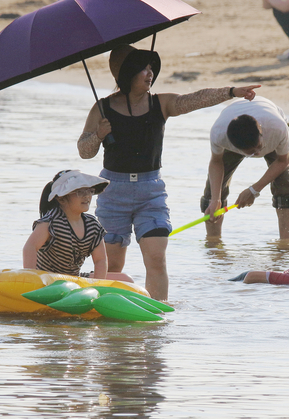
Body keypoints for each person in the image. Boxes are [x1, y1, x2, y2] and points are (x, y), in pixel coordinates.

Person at [78, 44, 259, 301]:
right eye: (143, 68)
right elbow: (84, 151)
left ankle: (157, 320)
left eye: (152, 67)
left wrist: (230, 92)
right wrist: (98, 135)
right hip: (113, 191)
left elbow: (195, 99)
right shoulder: (102, 109)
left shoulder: (160, 103)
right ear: (126, 72)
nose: (150, 73)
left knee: (156, 260)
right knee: (112, 265)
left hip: (150, 193)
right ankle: (108, 324)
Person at [203, 96, 289, 240]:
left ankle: (285, 244)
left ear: (260, 131)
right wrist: (216, 200)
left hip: (273, 136)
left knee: (284, 185)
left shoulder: (277, 127)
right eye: (250, 153)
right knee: (212, 193)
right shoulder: (219, 134)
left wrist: (254, 190)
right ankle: (213, 243)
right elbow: (216, 163)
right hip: (236, 136)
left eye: (258, 147)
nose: (257, 154)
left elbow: (284, 160)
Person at [23, 170, 131, 282]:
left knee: (126, 279)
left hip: (73, 278)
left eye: (89, 191)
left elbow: (100, 260)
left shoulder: (92, 225)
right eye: (79, 192)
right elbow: (30, 247)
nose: (86, 196)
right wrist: (32, 278)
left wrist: (97, 286)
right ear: (61, 198)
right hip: (48, 279)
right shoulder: (50, 223)